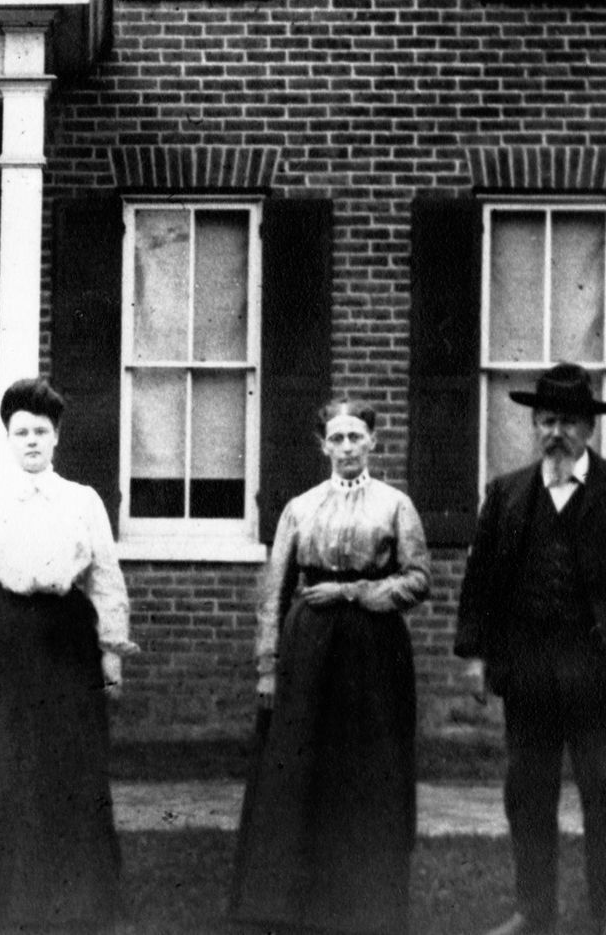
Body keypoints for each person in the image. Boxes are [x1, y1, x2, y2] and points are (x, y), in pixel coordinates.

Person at [454, 363, 606, 935]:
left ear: (589, 429)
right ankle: (533, 910)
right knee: (528, 794)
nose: (557, 433)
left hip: (597, 669)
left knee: (605, 791)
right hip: (527, 668)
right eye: (548, 421)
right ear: (534, 425)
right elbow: (481, 582)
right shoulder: (507, 494)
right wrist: (475, 655)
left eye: (569, 423)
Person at [0, 376, 131, 934]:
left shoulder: (83, 500)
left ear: (57, 436)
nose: (32, 442)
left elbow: (106, 579)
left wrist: (111, 651)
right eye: (21, 432)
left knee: (67, 764)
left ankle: (71, 902)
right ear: (7, 437)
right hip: (3, 642)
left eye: (41, 431)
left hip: (68, 639)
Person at [228, 401, 431, 935]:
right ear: (323, 445)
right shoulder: (300, 508)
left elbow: (418, 580)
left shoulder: (395, 505)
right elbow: (274, 591)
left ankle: (366, 901)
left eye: (355, 437)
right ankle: (294, 901)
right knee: (301, 764)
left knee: (367, 766)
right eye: (336, 438)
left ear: (373, 441)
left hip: (374, 645)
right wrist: (267, 666)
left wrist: (355, 591)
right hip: (309, 645)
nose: (346, 447)